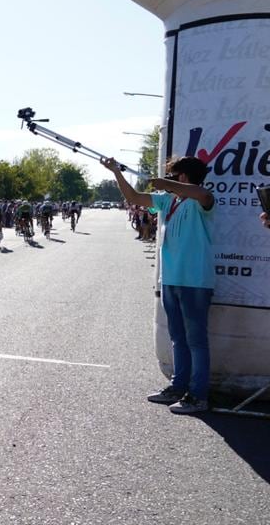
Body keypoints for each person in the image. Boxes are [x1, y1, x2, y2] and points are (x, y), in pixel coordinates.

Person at [102, 155, 215, 415]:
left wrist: (166, 182)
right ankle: (178, 387)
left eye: (173, 175)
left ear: (183, 177)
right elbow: (134, 198)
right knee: (178, 338)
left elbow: (201, 193)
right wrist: (116, 172)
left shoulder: (202, 200)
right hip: (170, 280)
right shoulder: (167, 201)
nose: (168, 180)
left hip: (196, 281)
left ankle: (198, 396)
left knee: (196, 340)